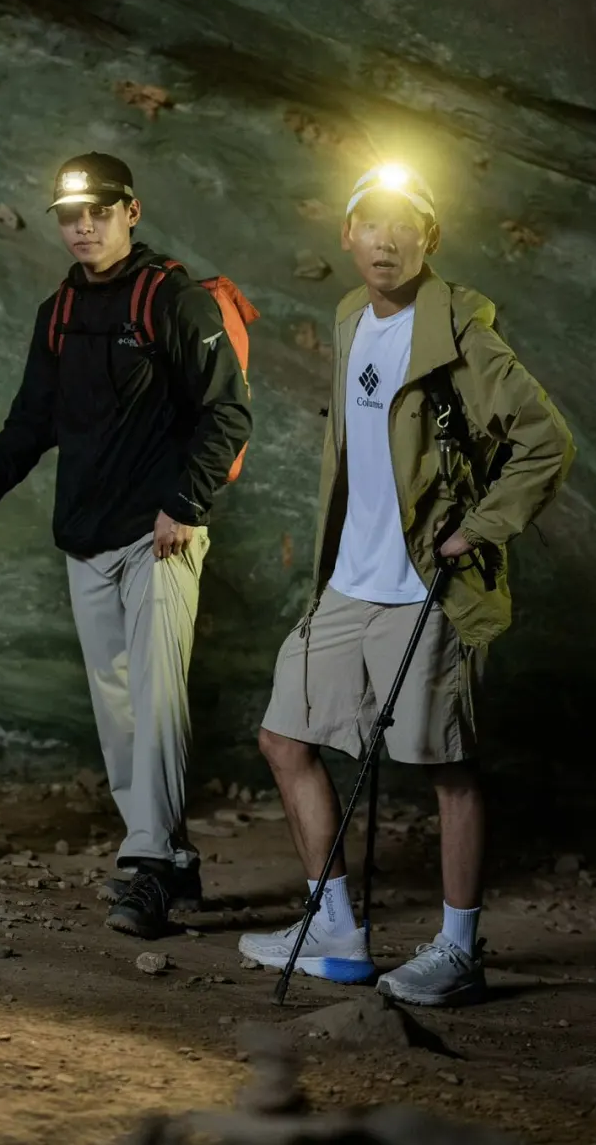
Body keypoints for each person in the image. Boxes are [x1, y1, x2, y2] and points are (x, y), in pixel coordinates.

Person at [240, 163, 575, 1005]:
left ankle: (458, 951)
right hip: (349, 583)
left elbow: (545, 440)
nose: (384, 241)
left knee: (447, 766)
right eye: (370, 223)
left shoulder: (460, 330)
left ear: (430, 237)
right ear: (347, 234)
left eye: (403, 225)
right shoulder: (351, 316)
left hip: (425, 587)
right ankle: (335, 931)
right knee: (285, 737)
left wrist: (477, 529)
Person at [0, 152, 253, 938]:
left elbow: (228, 413)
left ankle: (145, 867)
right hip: (85, 538)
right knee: (119, 712)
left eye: (98, 213)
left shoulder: (172, 299)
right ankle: (170, 857)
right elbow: (33, 422)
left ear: (130, 212)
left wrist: (183, 503)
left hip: (160, 535)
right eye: (70, 216)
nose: (82, 227)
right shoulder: (60, 312)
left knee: (157, 697)